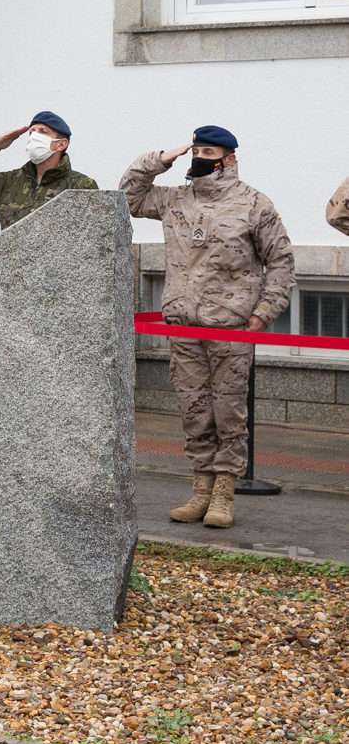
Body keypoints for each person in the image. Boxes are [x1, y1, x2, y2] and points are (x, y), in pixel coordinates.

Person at [122, 126, 294, 530]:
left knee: (228, 411)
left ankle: (224, 493)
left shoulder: (254, 203)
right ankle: (200, 488)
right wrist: (162, 157)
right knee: (193, 410)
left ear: (230, 158)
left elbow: (282, 262)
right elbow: (130, 196)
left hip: (231, 327)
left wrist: (264, 312)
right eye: (196, 148)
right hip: (183, 327)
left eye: (208, 150)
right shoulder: (175, 198)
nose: (200, 155)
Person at [0, 111, 99, 229]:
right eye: (32, 132)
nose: (35, 136)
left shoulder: (81, 186)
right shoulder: (10, 182)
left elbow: (94, 233)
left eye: (43, 132)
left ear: (61, 144)